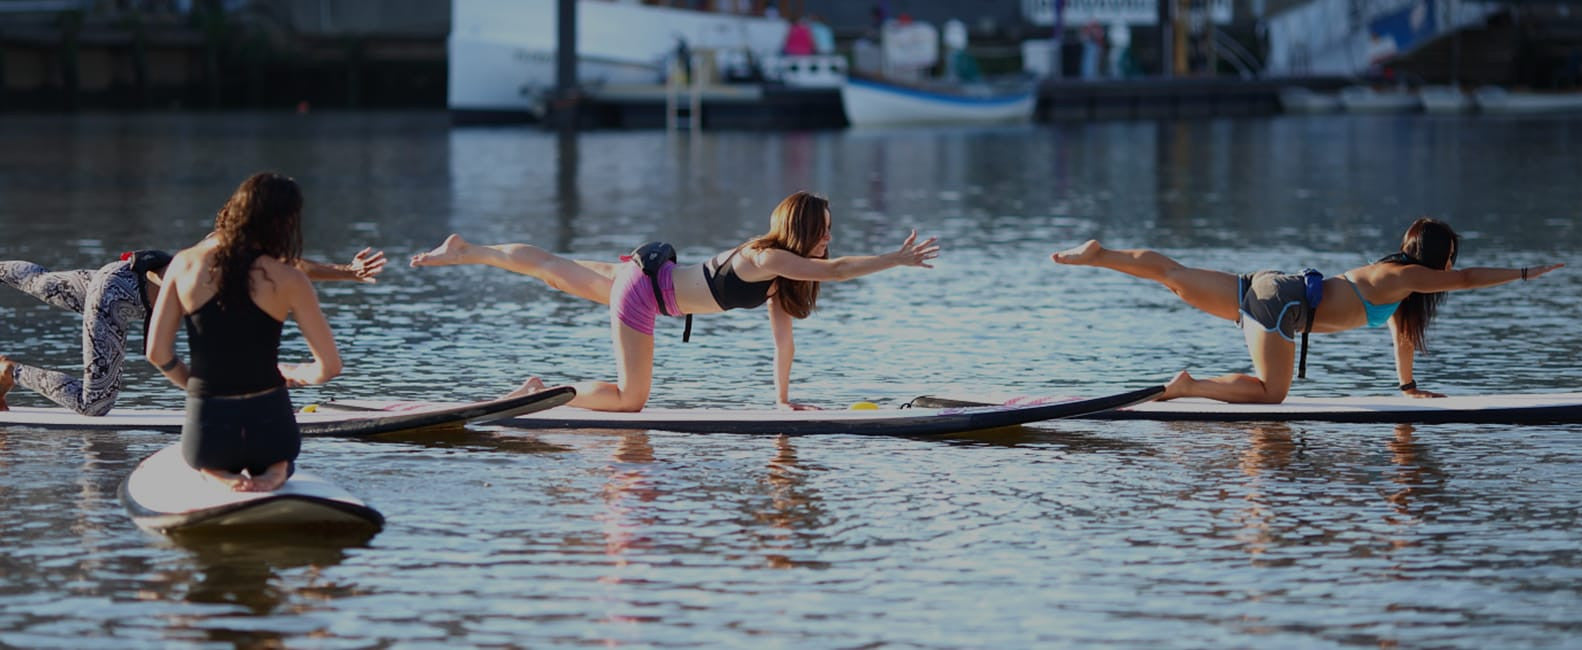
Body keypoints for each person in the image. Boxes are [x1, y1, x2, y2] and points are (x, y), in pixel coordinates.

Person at [409, 191, 939, 412]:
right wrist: (896, 258)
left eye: (829, 231)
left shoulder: (779, 276)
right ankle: (543, 392)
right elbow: (841, 270)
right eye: (821, 232)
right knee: (629, 400)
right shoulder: (767, 258)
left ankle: (467, 251)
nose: (828, 240)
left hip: (646, 275)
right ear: (798, 232)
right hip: (645, 293)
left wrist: (781, 400)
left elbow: (784, 341)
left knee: (550, 268)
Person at [1051, 218, 1563, 404]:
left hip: (1272, 285)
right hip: (1283, 304)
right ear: (1434, 258)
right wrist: (1522, 274)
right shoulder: (1404, 274)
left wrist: (1407, 388)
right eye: (1449, 259)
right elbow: (1469, 280)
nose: (1453, 268)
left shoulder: (1398, 284)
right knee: (1272, 394)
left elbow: (1401, 336)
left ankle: (1101, 256)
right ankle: (1188, 387)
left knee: (1177, 277)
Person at [0, 243, 380, 415]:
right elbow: (158, 274)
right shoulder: (213, 264)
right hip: (116, 296)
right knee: (94, 405)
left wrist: (347, 272)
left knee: (41, 283)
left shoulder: (242, 261)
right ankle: (9, 371)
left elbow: (293, 265)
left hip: (113, 277)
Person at [145, 172, 342, 492]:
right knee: (278, 455)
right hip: (272, 430)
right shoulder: (289, 278)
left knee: (207, 458)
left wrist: (195, 387)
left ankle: (216, 473)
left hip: (209, 432)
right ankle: (275, 471)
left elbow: (157, 352)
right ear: (282, 223)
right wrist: (296, 372)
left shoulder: (185, 264)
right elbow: (330, 367)